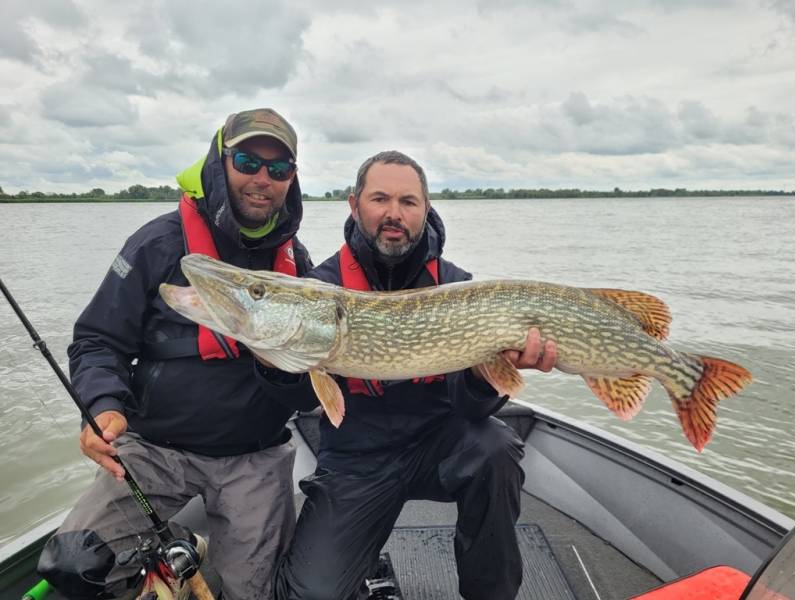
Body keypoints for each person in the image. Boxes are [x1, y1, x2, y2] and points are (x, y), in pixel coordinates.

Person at [37, 108, 317, 600]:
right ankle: (182, 546)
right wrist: (102, 407)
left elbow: (308, 387)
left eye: (279, 169)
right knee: (76, 564)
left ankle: (186, 550)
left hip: (255, 456)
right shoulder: (157, 243)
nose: (262, 179)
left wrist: (282, 371)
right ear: (220, 160)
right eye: (249, 161)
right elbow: (98, 339)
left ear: (291, 179)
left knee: (252, 593)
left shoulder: (298, 266)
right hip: (154, 450)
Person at [268, 151, 558, 600]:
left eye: (408, 202)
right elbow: (301, 402)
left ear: (426, 209)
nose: (393, 213)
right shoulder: (321, 288)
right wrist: (274, 363)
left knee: (496, 447)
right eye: (380, 198)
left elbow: (471, 407)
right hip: (356, 462)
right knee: (310, 595)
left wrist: (486, 377)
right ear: (354, 205)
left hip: (439, 447)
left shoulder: (456, 286)